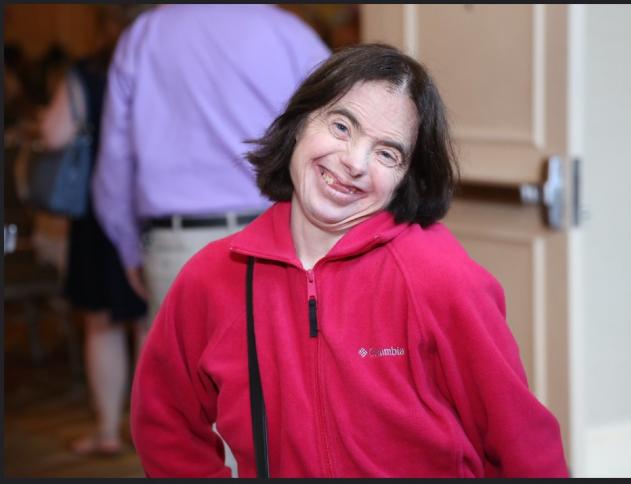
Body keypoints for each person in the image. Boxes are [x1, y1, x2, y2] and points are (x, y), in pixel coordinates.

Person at [130, 43, 570, 477]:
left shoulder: (442, 278)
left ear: (404, 179)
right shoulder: (214, 277)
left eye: (386, 153)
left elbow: (521, 440)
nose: (354, 162)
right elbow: (165, 422)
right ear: (301, 122)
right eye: (342, 127)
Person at [92, 4, 330, 323]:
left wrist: (127, 245)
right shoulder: (292, 34)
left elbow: (115, 159)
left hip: (175, 245)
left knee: (180, 371)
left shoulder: (144, 35)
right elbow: (336, 138)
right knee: (277, 368)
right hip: (278, 235)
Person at [37, 5, 151, 456]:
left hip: (97, 212)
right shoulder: (159, 68)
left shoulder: (86, 73)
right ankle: (148, 434)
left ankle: (107, 431)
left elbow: (52, 134)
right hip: (149, 205)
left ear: (105, 25)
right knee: (149, 325)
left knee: (100, 325)